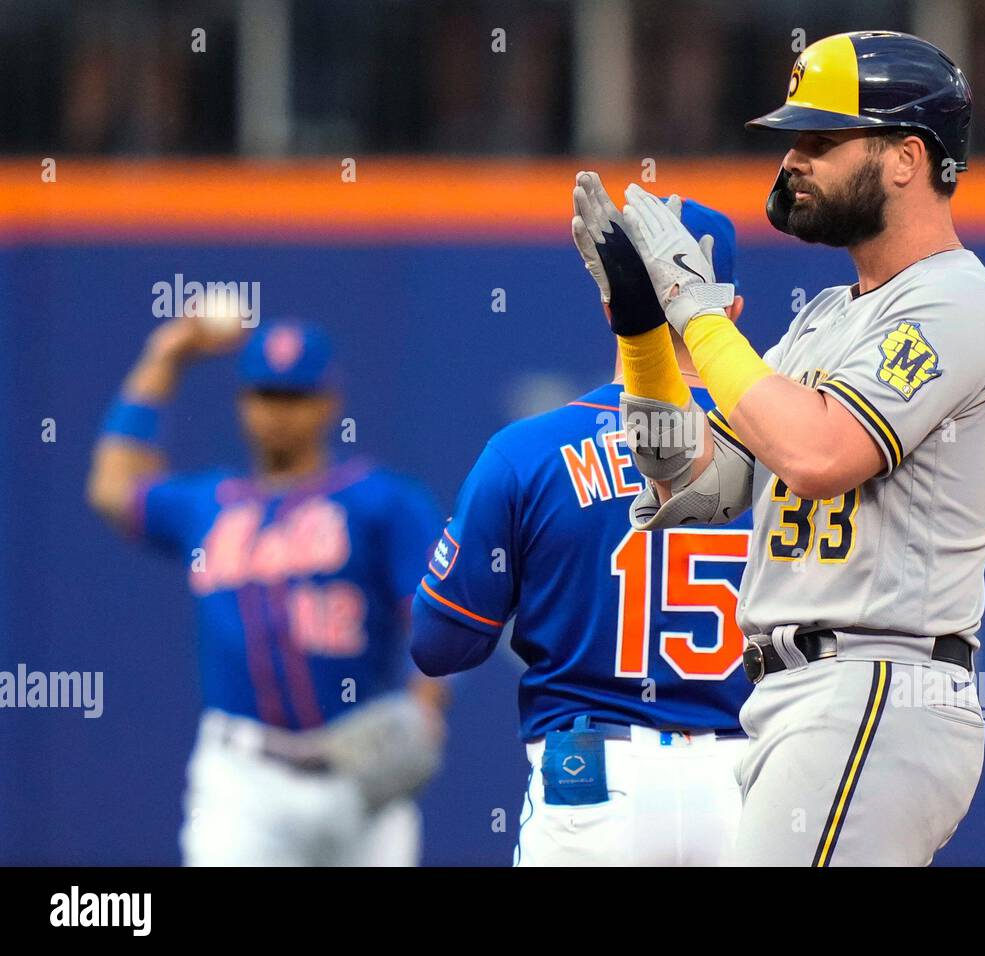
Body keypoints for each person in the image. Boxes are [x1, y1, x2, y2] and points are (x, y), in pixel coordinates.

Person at [578, 31, 985, 866]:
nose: (793, 160)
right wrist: (645, 335)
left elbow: (819, 456)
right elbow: (698, 482)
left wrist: (697, 313)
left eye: (821, 141)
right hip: (806, 696)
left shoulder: (956, 304)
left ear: (906, 158)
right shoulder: (829, 315)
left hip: (877, 682)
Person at [410, 189, 753, 866]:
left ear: (609, 303)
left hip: (592, 777)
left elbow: (439, 645)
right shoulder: (795, 449)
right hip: (751, 778)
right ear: (732, 309)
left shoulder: (528, 451)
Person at [86, 316, 448, 866]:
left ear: (329, 402)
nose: (278, 413)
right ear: (242, 402)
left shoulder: (381, 502)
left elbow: (441, 624)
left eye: (295, 396)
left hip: (360, 774)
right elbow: (113, 489)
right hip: (242, 780)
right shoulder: (209, 505)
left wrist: (424, 713)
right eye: (265, 395)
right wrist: (164, 358)